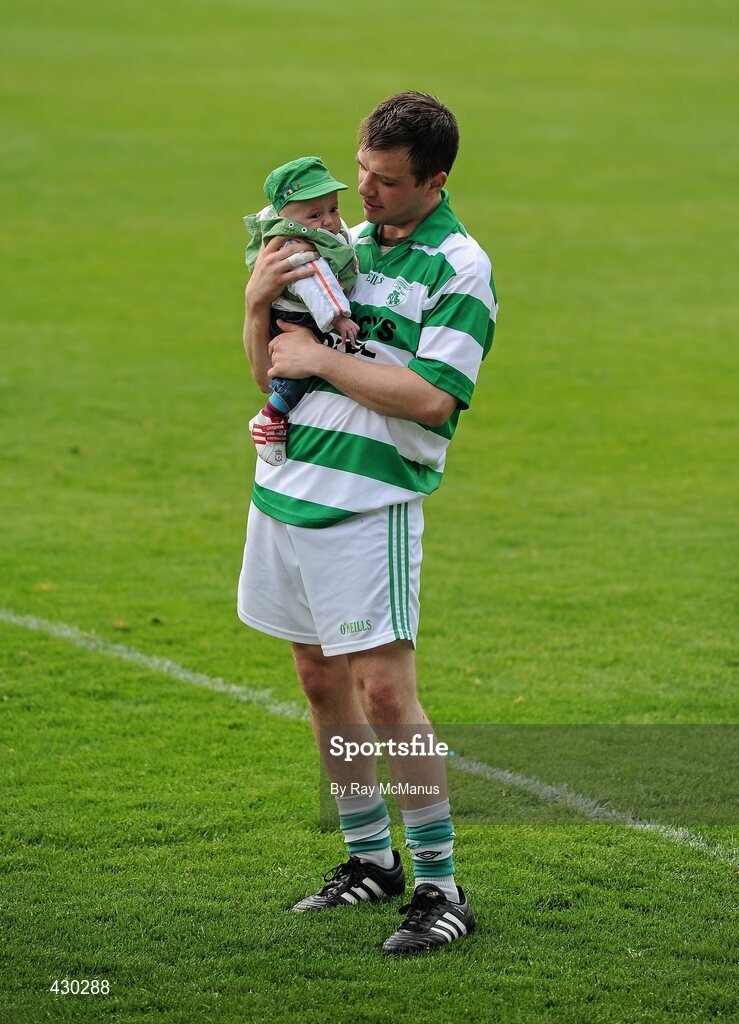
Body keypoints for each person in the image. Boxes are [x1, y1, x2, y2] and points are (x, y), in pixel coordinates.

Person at [238, 91, 498, 955]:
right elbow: (273, 368)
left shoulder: (458, 267)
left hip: (366, 503)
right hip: (285, 487)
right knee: (318, 682)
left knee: (385, 691)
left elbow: (430, 400)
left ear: (436, 180)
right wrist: (254, 308)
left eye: (385, 181)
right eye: (360, 172)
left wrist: (318, 357)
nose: (363, 193)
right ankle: (366, 859)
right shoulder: (337, 246)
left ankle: (439, 882)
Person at [244, 156, 360, 466]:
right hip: (301, 316)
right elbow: (317, 283)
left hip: (292, 311)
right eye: (315, 214)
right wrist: (338, 316)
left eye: (333, 209)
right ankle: (271, 415)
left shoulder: (325, 234)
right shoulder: (299, 247)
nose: (328, 221)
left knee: (297, 367)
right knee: (298, 372)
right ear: (288, 218)